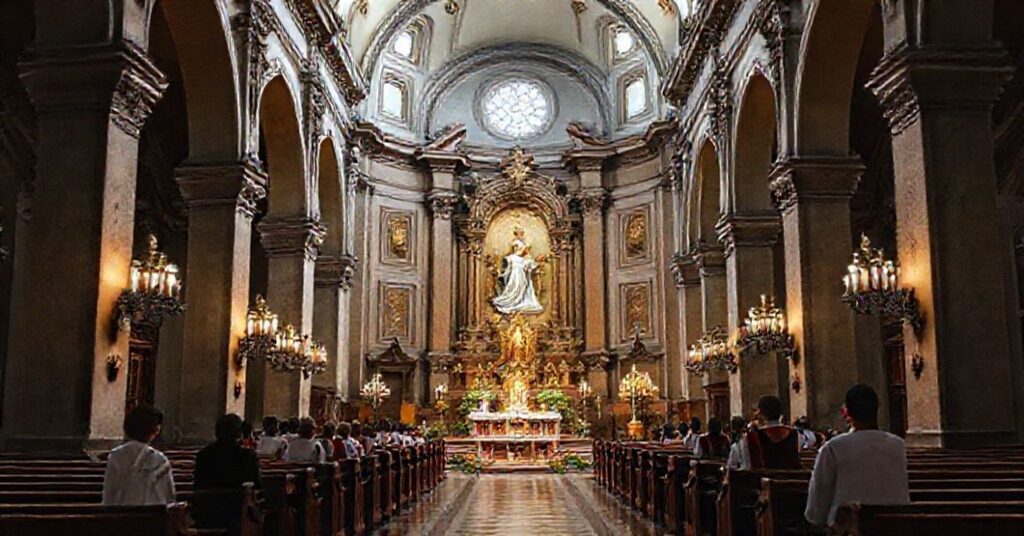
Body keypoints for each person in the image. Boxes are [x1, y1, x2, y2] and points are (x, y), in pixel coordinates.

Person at [805, 385, 909, 528]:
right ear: (876, 409)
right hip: (894, 527)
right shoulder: (898, 445)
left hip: (849, 529)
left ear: (846, 412)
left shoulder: (833, 448)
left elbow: (816, 507)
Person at [102, 405, 175, 506]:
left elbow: (108, 494)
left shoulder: (115, 455)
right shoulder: (160, 460)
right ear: (156, 430)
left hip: (119, 515)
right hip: (150, 517)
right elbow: (168, 497)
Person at [727, 395, 801, 470]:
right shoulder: (795, 434)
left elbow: (746, 466)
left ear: (761, 414)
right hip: (790, 479)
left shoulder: (751, 438)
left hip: (761, 479)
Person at [194, 413, 261, 490]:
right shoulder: (248, 456)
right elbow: (257, 486)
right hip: (239, 500)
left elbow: (198, 486)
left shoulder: (203, 455)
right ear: (239, 433)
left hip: (210, 501)